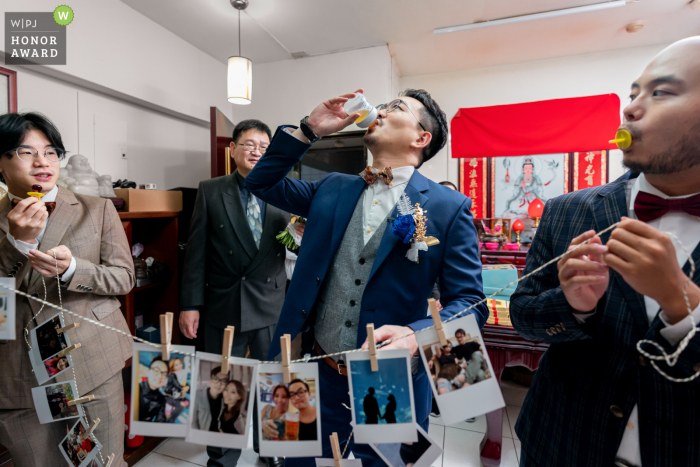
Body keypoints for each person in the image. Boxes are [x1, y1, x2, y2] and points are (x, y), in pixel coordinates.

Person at [247, 88, 487, 467]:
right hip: (313, 368)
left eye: (397, 108)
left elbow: (471, 303)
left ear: (420, 138)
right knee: (296, 460)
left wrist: (417, 334)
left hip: (390, 382)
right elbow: (259, 182)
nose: (382, 109)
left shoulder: (448, 207)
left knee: (385, 464)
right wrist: (309, 130)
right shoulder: (333, 187)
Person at [510, 37, 700, 467]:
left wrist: (682, 304)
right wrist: (573, 307)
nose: (630, 108)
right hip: (557, 446)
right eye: (632, 94)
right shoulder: (568, 210)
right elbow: (522, 314)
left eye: (661, 92)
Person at [0, 111, 133, 467]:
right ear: (0, 161)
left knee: (102, 462)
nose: (42, 161)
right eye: (25, 152)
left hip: (92, 360)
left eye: (51, 151)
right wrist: (16, 243)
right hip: (17, 375)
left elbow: (124, 277)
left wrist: (74, 269)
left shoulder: (97, 208)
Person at [181, 119, 297, 467]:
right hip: (222, 301)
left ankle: (273, 447)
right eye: (248, 144)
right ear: (232, 149)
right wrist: (190, 304)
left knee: (272, 378)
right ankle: (221, 453)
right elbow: (196, 251)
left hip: (270, 303)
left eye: (263, 146)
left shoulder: (285, 190)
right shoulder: (211, 189)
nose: (256, 152)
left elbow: (296, 246)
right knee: (220, 379)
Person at [193, 366, 228, 432]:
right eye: (215, 379)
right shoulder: (197, 396)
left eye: (224, 381)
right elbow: (193, 422)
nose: (219, 384)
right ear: (210, 380)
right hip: (202, 437)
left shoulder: (226, 399)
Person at [138, 358, 168, 423]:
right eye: (156, 371)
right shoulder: (137, 389)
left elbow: (161, 420)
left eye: (164, 374)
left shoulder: (161, 399)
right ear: (148, 371)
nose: (160, 376)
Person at [163, 356, 189, 423]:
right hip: (171, 396)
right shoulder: (172, 375)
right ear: (173, 368)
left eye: (180, 363)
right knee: (180, 405)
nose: (180, 366)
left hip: (178, 396)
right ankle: (170, 419)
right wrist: (182, 388)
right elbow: (177, 384)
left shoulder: (182, 373)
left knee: (188, 402)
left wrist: (187, 387)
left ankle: (174, 408)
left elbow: (185, 382)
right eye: (176, 365)